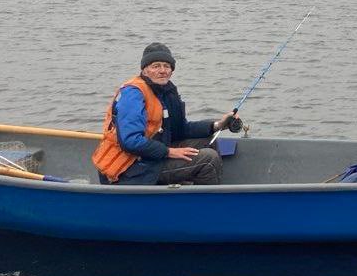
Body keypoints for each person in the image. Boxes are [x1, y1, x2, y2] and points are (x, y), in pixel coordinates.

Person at [91, 42, 243, 185]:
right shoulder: (133, 94)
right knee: (208, 159)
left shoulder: (166, 90)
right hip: (128, 169)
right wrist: (169, 152)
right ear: (145, 69)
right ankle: (204, 206)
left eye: (166, 66)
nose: (162, 71)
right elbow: (131, 141)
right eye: (156, 66)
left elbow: (181, 130)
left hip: (149, 157)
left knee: (208, 141)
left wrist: (218, 125)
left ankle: (190, 189)